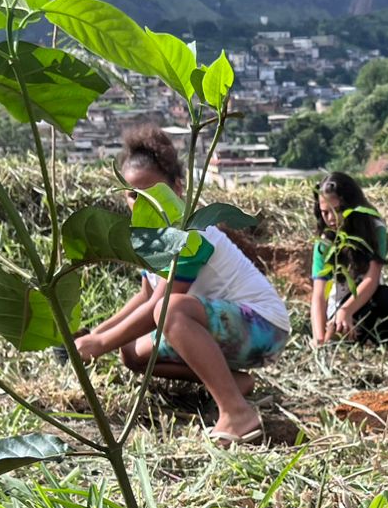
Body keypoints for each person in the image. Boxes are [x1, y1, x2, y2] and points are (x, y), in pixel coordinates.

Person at [74, 125, 290, 445]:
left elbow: (160, 307)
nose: (144, 203)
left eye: (153, 192)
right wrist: (95, 336)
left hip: (265, 328)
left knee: (171, 310)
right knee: (132, 352)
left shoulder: (189, 233)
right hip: (222, 329)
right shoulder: (151, 239)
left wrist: (99, 344)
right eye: (134, 195)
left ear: (178, 187)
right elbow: (145, 296)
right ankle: (232, 383)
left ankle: (236, 412)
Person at [309, 172, 388, 347]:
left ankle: (360, 336)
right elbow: (319, 294)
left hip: (366, 302)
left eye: (338, 210)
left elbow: (371, 279)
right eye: (325, 213)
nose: (331, 219)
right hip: (337, 310)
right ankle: (344, 336)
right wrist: (319, 339)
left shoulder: (374, 229)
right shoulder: (325, 242)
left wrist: (347, 311)